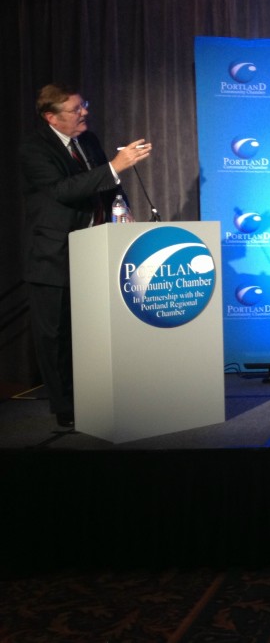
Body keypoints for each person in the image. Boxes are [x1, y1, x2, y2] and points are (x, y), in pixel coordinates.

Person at [19, 84, 152, 428]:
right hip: (54, 254)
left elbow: (107, 185)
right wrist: (115, 166)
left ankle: (101, 395)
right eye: (75, 110)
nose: (84, 114)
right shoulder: (34, 148)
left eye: (84, 106)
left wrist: (123, 208)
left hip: (96, 251)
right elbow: (64, 190)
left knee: (96, 331)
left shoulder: (88, 140)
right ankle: (66, 407)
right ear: (52, 117)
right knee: (57, 335)